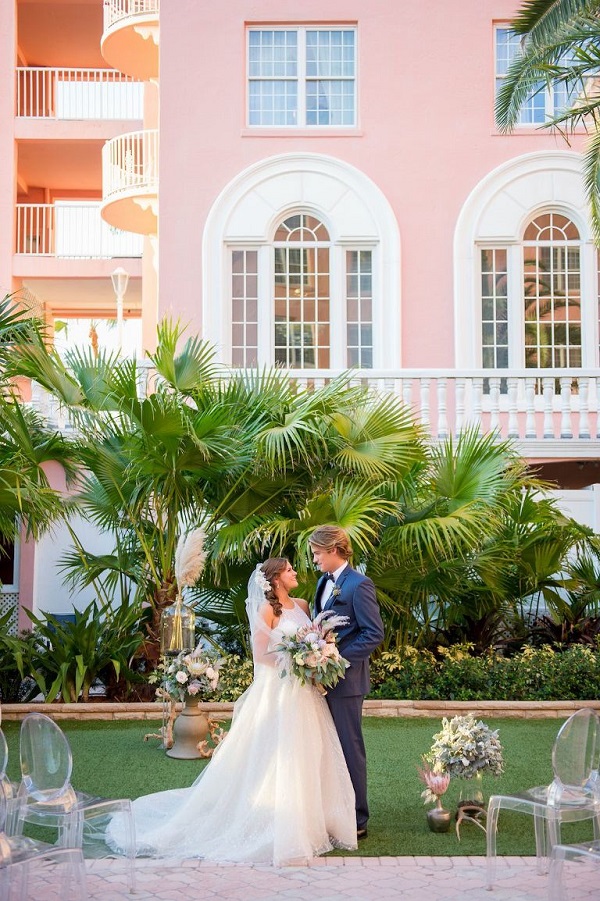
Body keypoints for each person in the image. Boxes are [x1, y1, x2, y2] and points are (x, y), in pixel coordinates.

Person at [107, 557, 357, 866]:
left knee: (309, 751)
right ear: (276, 579)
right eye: (290, 570)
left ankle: (312, 818)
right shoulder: (266, 610)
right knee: (274, 755)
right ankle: (274, 818)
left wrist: (318, 656)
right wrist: (299, 660)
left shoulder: (303, 605)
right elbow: (261, 655)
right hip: (278, 690)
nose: (295, 573)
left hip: (305, 693)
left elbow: (316, 637)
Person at [309, 525, 384, 840]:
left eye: (316, 553)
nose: (314, 560)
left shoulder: (359, 585)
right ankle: (333, 811)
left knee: (350, 749)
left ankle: (358, 818)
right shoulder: (322, 582)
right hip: (321, 682)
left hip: (347, 682)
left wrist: (336, 660)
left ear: (333, 550)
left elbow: (373, 633)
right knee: (328, 750)